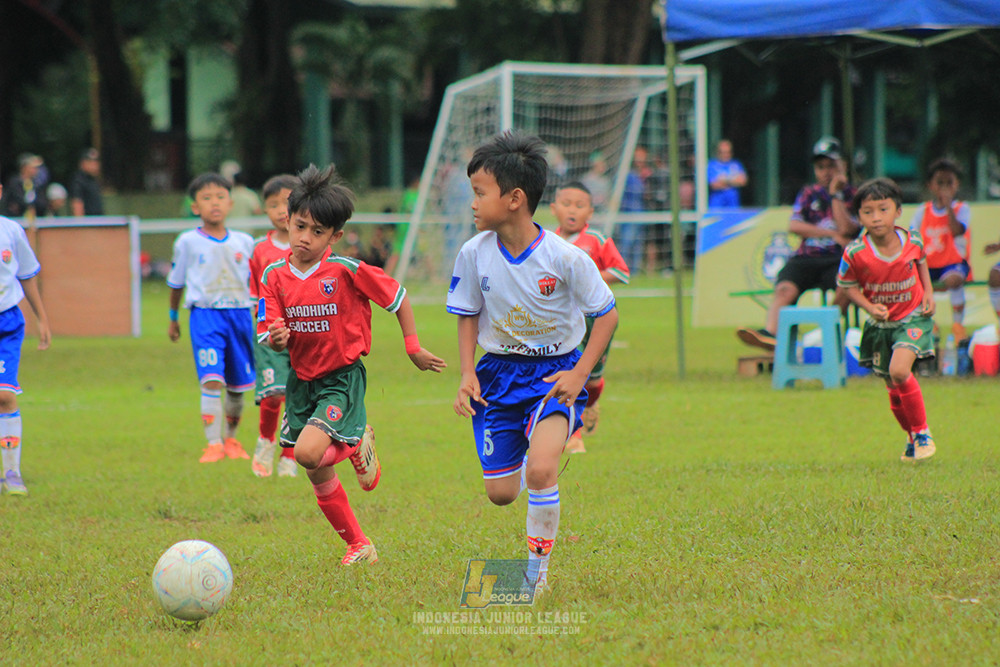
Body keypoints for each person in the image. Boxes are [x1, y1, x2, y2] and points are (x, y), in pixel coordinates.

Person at [448, 131, 618, 594]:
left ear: (515, 198)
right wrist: (467, 373)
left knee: (542, 470)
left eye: (480, 193)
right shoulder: (473, 252)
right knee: (501, 494)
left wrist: (580, 373)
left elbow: (607, 315)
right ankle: (524, 451)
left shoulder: (565, 258)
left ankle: (534, 578)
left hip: (553, 376)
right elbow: (466, 314)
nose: (473, 204)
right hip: (497, 376)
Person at [259, 164, 445, 566]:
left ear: (335, 236)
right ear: (287, 222)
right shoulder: (274, 275)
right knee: (315, 471)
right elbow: (268, 324)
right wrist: (276, 335)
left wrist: (412, 347)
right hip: (301, 381)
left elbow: (397, 296)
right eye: (299, 227)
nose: (305, 238)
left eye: (317, 232)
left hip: (340, 378)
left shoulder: (346, 271)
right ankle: (359, 544)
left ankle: (356, 440)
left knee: (308, 454)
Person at [837, 177, 936, 461]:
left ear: (898, 211)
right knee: (892, 388)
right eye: (868, 212)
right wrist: (869, 306)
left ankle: (922, 432)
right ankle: (911, 437)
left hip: (913, 317)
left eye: (883, 209)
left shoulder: (912, 239)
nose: (876, 218)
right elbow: (847, 285)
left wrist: (928, 292)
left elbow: (921, 261)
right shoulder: (856, 253)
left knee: (900, 371)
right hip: (881, 325)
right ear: (859, 216)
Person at [167, 173, 256, 463]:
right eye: (206, 198)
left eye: (220, 197)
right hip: (205, 316)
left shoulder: (244, 242)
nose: (214, 203)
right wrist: (173, 317)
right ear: (195, 207)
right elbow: (176, 282)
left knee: (237, 385)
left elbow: (257, 282)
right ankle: (213, 443)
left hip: (241, 315)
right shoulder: (188, 242)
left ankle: (231, 440)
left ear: (230, 203)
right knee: (211, 379)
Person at [737, 137, 859, 350]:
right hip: (807, 257)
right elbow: (794, 226)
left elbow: (848, 229)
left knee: (847, 284)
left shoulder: (853, 195)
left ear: (843, 166)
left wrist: (836, 194)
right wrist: (831, 234)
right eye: (820, 167)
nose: (826, 172)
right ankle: (772, 336)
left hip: (839, 258)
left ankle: (825, 329)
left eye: (831, 165)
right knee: (785, 287)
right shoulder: (808, 193)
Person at [551, 181, 628, 454]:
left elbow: (621, 272)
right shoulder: (547, 241)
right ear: (554, 208)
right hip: (564, 320)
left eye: (579, 205)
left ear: (590, 213)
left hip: (597, 319)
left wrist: (588, 279)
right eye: (566, 203)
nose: (572, 210)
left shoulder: (596, 240)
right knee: (572, 371)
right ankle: (575, 435)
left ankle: (592, 402)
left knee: (593, 379)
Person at [0, 170, 52, 495]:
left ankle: (12, 472)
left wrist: (42, 319)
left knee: (4, 395)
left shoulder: (11, 231)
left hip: (7, 323)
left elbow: (27, 275)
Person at [248, 174, 300, 479]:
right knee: (273, 395)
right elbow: (254, 294)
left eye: (287, 202)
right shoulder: (260, 250)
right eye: (273, 204)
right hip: (270, 334)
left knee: (298, 395)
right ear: (264, 211)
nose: (282, 210)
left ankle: (289, 456)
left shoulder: (310, 244)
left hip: (305, 333)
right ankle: (265, 441)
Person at [909, 158, 971, 342]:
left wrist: (949, 206)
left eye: (949, 182)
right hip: (928, 263)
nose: (944, 187)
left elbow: (956, 230)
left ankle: (958, 325)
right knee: (914, 283)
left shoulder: (962, 208)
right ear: (930, 185)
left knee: (954, 280)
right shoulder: (922, 211)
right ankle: (930, 325)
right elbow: (913, 238)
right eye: (940, 182)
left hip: (953, 262)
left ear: (956, 185)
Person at [615, 146, 649, 273]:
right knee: (626, 242)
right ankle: (622, 269)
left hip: (641, 214)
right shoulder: (628, 175)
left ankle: (635, 271)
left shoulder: (646, 174)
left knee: (638, 244)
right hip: (628, 214)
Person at [0, 153, 48, 218]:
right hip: (16, 219)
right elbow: (13, 202)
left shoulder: (37, 184)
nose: (36, 170)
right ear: (24, 167)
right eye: (33, 167)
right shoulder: (14, 182)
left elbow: (42, 203)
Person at [707, 139, 748, 208]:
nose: (725, 155)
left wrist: (724, 180)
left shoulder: (736, 164)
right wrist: (734, 180)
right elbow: (714, 185)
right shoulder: (711, 165)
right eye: (722, 152)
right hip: (716, 206)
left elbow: (743, 181)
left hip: (733, 205)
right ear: (718, 152)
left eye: (728, 152)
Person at [69, 148, 104, 216]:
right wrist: (81, 224)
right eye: (92, 162)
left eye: (97, 162)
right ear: (83, 163)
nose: (95, 165)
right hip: (88, 223)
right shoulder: (78, 181)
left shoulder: (93, 180)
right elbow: (77, 205)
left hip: (98, 222)